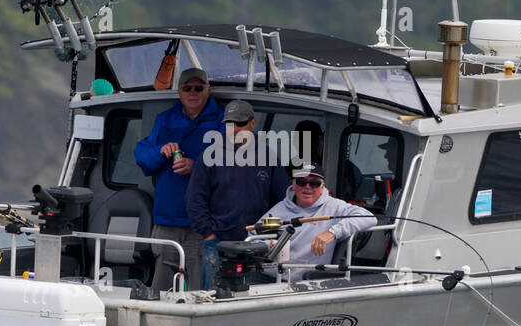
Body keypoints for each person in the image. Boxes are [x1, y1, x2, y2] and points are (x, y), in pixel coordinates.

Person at [133, 68, 224, 291]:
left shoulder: (223, 121)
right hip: (166, 221)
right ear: (180, 92)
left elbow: (233, 167)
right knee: (160, 290)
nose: (193, 92)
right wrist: (160, 152)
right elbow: (142, 158)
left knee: (200, 289)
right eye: (187, 88)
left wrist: (196, 167)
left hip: (203, 223)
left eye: (198, 88)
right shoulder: (164, 120)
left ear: (208, 91)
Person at [188, 99, 291, 288]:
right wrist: (209, 235)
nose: (234, 129)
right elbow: (195, 199)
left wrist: (269, 235)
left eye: (240, 123)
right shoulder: (208, 155)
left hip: (257, 246)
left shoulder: (268, 156)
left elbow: (284, 202)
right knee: (212, 299)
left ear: (253, 123)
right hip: (218, 245)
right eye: (229, 123)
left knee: (253, 302)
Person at [260, 162, 376, 282]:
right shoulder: (279, 210)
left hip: (305, 281)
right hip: (269, 275)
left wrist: (332, 232)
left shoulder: (334, 207)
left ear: (322, 187)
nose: (307, 187)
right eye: (301, 182)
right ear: (293, 184)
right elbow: (254, 236)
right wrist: (269, 245)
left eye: (314, 183)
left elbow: (368, 217)